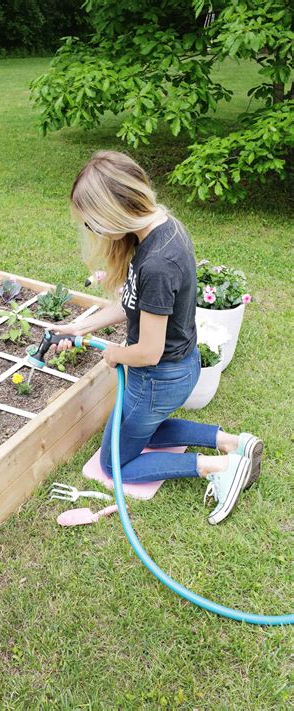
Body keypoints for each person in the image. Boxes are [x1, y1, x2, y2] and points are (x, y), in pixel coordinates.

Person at [54, 150, 263, 525]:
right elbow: (134, 304)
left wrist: (114, 353)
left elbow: (148, 352)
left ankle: (220, 467)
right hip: (179, 368)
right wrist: (80, 328)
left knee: (115, 463)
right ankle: (234, 443)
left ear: (114, 211)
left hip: (157, 379)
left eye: (93, 223)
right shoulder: (163, 229)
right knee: (142, 429)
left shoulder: (157, 263)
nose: (93, 231)